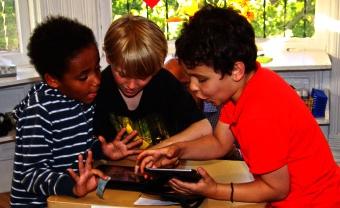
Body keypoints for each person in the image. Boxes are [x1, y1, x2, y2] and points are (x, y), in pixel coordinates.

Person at [136, 5, 340, 207]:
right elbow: (219, 143)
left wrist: (214, 190)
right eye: (190, 78)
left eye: (201, 79)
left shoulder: (258, 113)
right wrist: (176, 150)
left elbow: (277, 189)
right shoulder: (247, 86)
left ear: (236, 70)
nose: (193, 87)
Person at [10, 16, 142, 207]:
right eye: (83, 76)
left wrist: (101, 149)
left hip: (70, 199)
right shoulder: (39, 111)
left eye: (97, 68)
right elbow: (31, 175)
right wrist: (71, 186)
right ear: (53, 80)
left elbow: (78, 147)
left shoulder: (83, 97)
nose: (96, 80)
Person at [94, 15, 212, 150]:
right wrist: (105, 151)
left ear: (157, 68)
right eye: (123, 74)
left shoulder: (165, 83)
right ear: (109, 58)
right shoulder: (98, 89)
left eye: (142, 77)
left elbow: (204, 127)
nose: (131, 85)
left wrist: (159, 149)